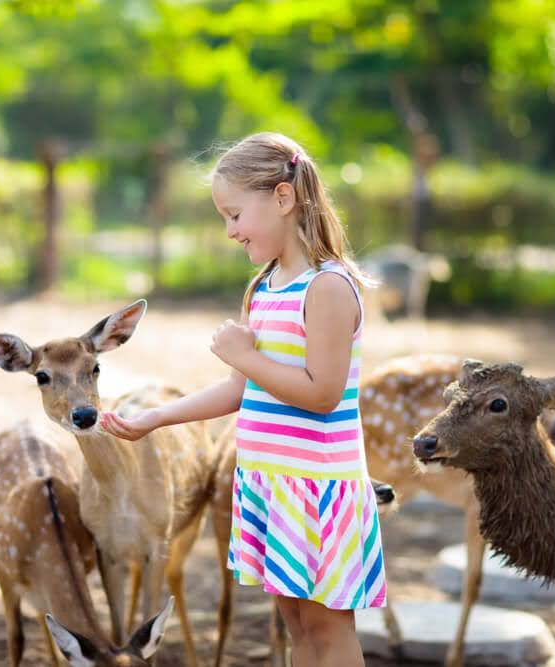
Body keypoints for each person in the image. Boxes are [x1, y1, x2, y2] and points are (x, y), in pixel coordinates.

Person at [101, 132, 386, 667]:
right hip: (272, 485)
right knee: (297, 629)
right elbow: (240, 390)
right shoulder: (266, 286)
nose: (229, 230)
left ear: (283, 198)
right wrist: (158, 418)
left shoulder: (327, 287)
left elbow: (322, 393)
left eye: (234, 215)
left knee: (328, 629)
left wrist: (245, 356)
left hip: (316, 490)